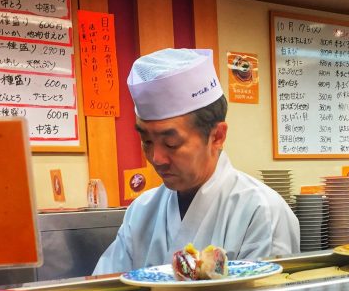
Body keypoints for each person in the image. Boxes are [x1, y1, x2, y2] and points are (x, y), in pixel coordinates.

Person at [94, 48, 300, 274]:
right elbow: (108, 288)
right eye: (146, 141)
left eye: (171, 143)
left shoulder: (260, 212)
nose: (156, 158)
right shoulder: (141, 211)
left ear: (217, 136)